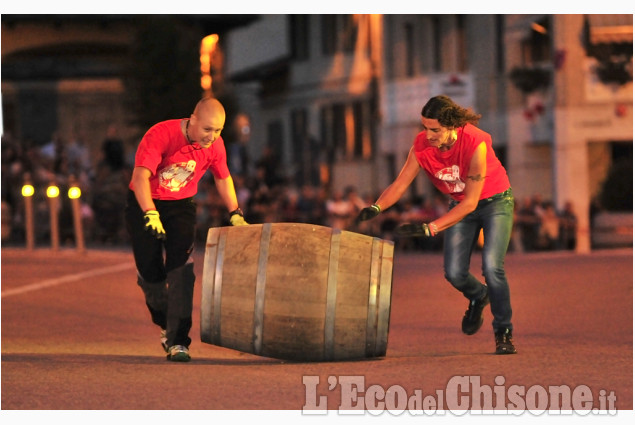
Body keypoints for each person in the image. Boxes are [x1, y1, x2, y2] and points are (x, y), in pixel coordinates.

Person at [356, 95, 517, 355]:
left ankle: (503, 332)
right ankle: (478, 296)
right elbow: (400, 183)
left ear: (451, 125)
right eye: (425, 127)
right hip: (460, 203)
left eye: (435, 129)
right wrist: (376, 207)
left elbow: (471, 202)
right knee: (454, 273)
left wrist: (430, 228)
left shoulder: (476, 142)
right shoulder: (421, 146)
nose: (428, 134)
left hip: (495, 202)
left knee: (492, 267)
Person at [124, 97, 248, 362]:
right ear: (192, 120)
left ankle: (179, 340)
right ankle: (166, 323)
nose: (211, 137)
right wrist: (150, 213)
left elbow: (223, 177)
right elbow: (140, 177)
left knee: (181, 269)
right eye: (207, 129)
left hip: (180, 206)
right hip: (145, 202)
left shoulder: (216, 145)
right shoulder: (161, 134)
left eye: (218, 131)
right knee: (151, 273)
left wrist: (235, 212)